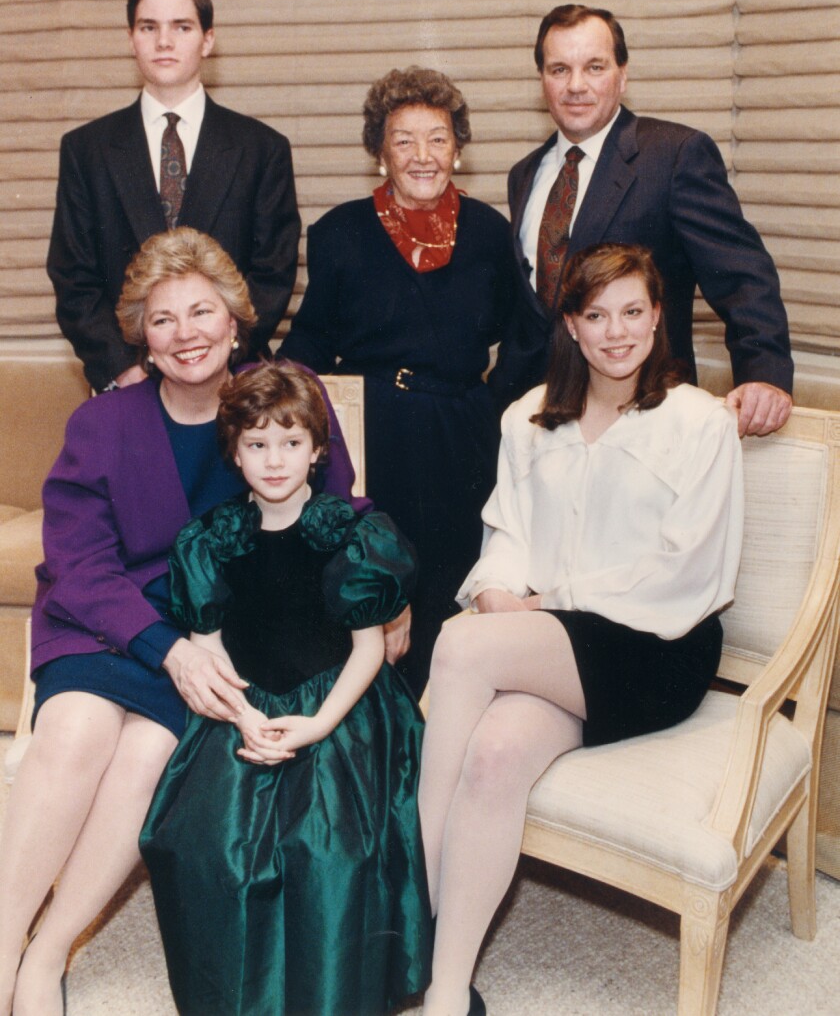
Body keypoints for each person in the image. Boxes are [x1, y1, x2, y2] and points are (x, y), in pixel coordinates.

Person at [0, 229, 360, 1016]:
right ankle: (0, 947)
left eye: (203, 311)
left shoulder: (286, 393)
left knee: (147, 756)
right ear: (144, 338)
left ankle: (50, 950)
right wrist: (166, 649)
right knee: (77, 734)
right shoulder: (103, 423)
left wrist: (379, 593)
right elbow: (80, 562)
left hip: (219, 634)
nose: (186, 332)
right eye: (163, 320)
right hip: (108, 622)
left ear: (237, 320)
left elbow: (334, 505)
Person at [418, 243, 744, 1016]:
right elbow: (507, 534)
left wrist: (539, 604)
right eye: (595, 315)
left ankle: (410, 908)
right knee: (495, 754)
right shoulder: (528, 419)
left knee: (459, 643)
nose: (617, 332)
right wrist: (499, 588)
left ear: (659, 316)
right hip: (555, 643)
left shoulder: (699, 423)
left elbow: (689, 572)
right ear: (569, 324)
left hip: (659, 646)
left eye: (634, 311)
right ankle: (444, 988)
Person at [140, 362, 432, 1016]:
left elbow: (368, 651)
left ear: (318, 449)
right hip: (243, 707)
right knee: (206, 843)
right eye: (258, 443)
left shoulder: (353, 536)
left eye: (291, 441)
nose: (275, 460)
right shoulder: (209, 542)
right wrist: (243, 717)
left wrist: (319, 724)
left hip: (341, 709)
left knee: (328, 849)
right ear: (235, 450)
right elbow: (210, 648)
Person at [282, 66, 518, 694]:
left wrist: (488, 405)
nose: (422, 156)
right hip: (371, 436)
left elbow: (531, 336)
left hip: (461, 434)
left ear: (458, 151)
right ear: (378, 152)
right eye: (403, 139)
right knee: (377, 589)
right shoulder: (337, 233)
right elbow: (310, 339)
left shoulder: (491, 232)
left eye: (437, 138)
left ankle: (445, 731)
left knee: (449, 589)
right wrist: (267, 391)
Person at [493, 2, 793, 438]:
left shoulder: (673, 156)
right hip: (534, 417)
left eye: (594, 67)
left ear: (623, 74)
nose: (576, 85)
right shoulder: (525, 174)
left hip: (644, 418)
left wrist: (764, 371)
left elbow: (742, 275)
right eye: (559, 70)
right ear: (542, 80)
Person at [47, 0, 301, 392]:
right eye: (149, 27)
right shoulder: (86, 149)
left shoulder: (262, 148)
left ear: (207, 40)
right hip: (128, 382)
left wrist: (217, 358)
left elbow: (273, 272)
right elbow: (72, 275)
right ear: (132, 39)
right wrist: (124, 369)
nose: (164, 41)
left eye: (181, 27)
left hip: (228, 378)